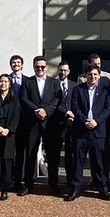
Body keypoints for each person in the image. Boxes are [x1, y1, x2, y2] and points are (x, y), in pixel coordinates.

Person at [66, 66, 110, 201]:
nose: (92, 77)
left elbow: (108, 108)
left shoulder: (105, 90)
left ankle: (102, 189)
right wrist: (85, 121)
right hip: (81, 131)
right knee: (78, 162)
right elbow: (75, 107)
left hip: (98, 131)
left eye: (95, 74)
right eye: (89, 74)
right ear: (85, 76)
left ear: (99, 76)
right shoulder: (78, 89)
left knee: (98, 163)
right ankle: (76, 189)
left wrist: (96, 121)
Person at [19, 54, 58, 194]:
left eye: (42, 66)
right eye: (37, 67)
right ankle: (28, 184)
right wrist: (36, 110)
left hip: (49, 124)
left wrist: (46, 111)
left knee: (52, 155)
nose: (40, 69)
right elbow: (23, 98)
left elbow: (57, 101)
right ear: (34, 67)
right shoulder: (27, 82)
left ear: (46, 67)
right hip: (32, 123)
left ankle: (53, 184)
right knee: (30, 154)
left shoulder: (54, 83)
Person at [43, 61, 75, 191]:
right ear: (58, 70)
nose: (63, 73)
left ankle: (70, 181)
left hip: (70, 124)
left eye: (65, 70)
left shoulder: (74, 85)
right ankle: (53, 182)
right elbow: (52, 103)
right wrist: (66, 112)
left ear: (69, 71)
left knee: (70, 154)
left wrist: (73, 116)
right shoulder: (51, 84)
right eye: (61, 70)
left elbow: (76, 101)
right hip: (54, 124)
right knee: (53, 155)